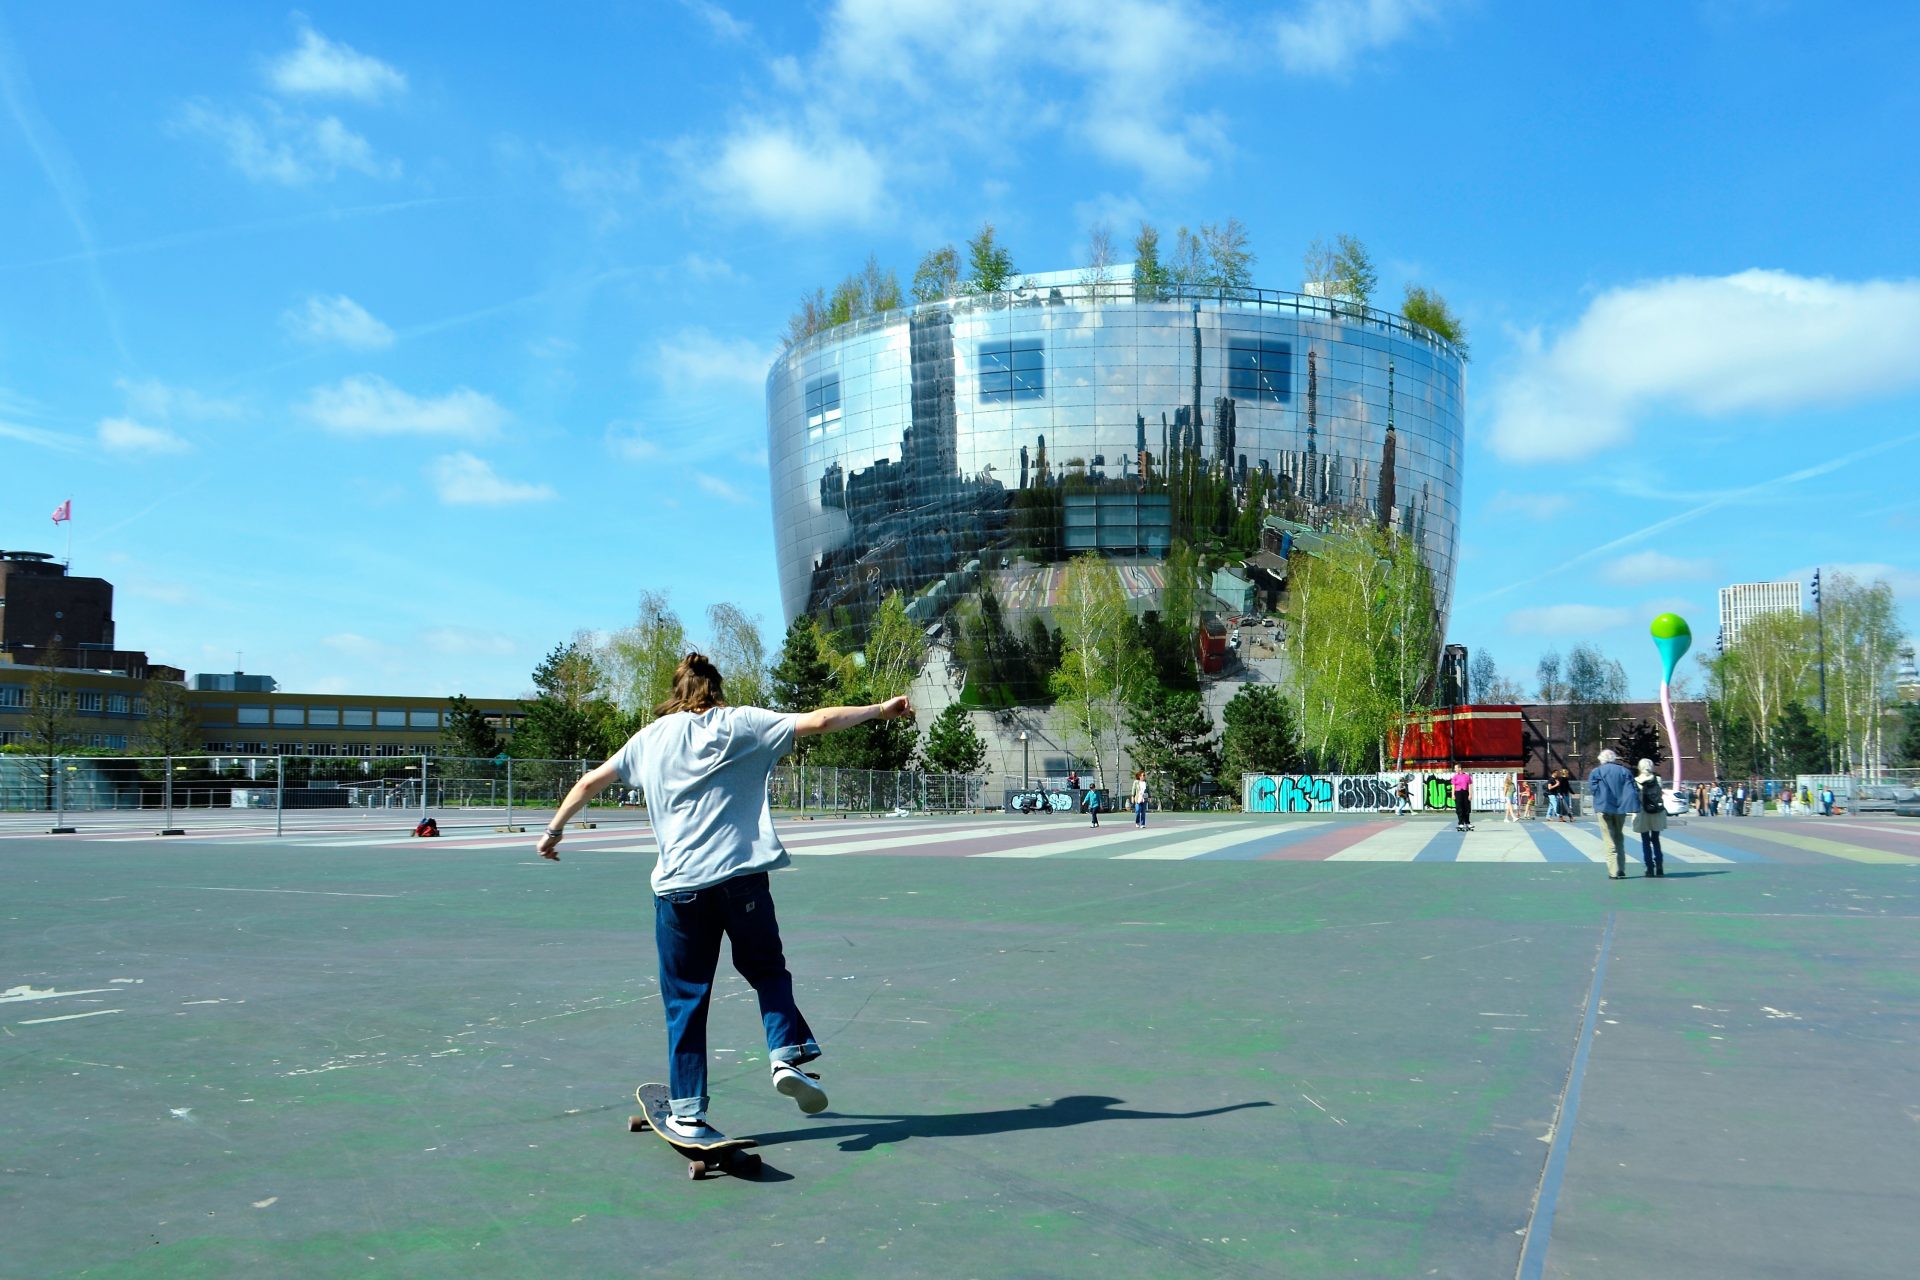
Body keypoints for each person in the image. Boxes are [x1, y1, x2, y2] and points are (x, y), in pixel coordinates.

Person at [536, 652, 914, 1146]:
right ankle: (786, 1054)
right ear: (716, 689)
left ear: (675, 691)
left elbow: (589, 782)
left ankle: (689, 1112)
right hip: (742, 882)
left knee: (687, 998)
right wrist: (879, 709)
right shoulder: (743, 723)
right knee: (768, 971)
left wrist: (553, 831)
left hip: (680, 889)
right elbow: (821, 720)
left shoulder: (648, 740)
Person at [1587, 749, 1639, 880]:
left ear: (1601, 759)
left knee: (1608, 838)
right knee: (1619, 836)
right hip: (1621, 808)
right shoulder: (1624, 771)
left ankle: (1613, 870)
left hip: (1604, 806)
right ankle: (1621, 868)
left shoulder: (1597, 771)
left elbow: (1593, 788)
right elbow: (1632, 788)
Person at [1632, 757, 1667, 877]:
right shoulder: (1658, 779)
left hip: (1643, 813)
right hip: (1657, 812)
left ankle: (1649, 868)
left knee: (1645, 841)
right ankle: (1659, 866)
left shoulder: (1636, 780)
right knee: (1656, 839)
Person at [1449, 764, 1473, 832]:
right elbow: (1453, 786)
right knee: (1459, 808)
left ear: (1460, 768)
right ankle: (1461, 823)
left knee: (1467, 808)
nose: (1455, 769)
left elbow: (1470, 785)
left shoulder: (1467, 776)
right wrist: (1453, 794)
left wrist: (1470, 794)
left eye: (1456, 768)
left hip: (1465, 792)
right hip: (1458, 793)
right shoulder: (1455, 777)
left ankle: (1467, 822)